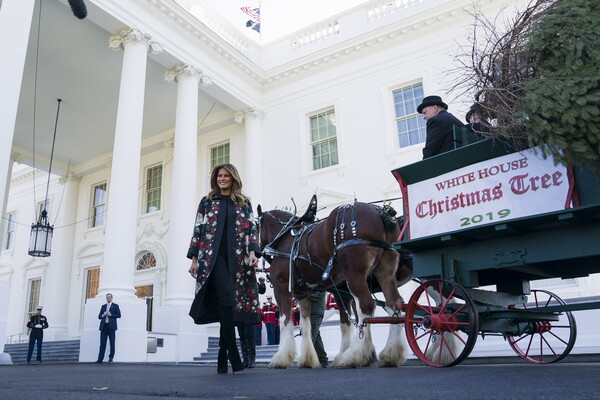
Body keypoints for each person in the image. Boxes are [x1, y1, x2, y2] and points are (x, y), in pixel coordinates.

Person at [187, 163, 262, 375]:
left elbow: (251, 229)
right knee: (228, 299)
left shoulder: (244, 202)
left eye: (226, 176)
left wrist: (253, 252)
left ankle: (222, 356)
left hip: (238, 261)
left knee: (227, 307)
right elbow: (198, 230)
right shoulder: (208, 202)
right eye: (219, 175)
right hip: (213, 258)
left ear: (233, 178)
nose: (222, 179)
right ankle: (234, 356)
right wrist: (194, 259)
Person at [236, 276, 266, 368]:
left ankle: (252, 358)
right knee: (241, 335)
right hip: (239, 311)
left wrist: (262, 283)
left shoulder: (251, 280)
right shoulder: (236, 281)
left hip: (249, 311)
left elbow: (261, 290)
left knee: (249, 334)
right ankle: (245, 359)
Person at [96, 293, 121, 363]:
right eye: (107, 297)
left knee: (112, 343)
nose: (108, 298)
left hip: (111, 327)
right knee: (102, 343)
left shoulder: (115, 306)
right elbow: (99, 316)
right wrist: (103, 314)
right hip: (104, 327)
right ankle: (100, 359)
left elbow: (119, 315)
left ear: (112, 298)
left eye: (109, 297)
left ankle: (111, 358)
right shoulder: (103, 306)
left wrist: (111, 314)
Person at [309, 291, 328, 368]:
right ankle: (323, 359)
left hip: (317, 313)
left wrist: (306, 294)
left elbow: (316, 296)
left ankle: (308, 358)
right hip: (311, 313)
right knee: (316, 337)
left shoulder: (321, 288)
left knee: (311, 336)